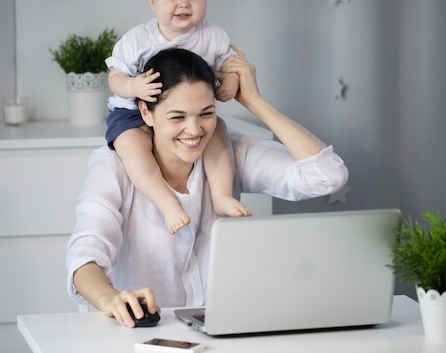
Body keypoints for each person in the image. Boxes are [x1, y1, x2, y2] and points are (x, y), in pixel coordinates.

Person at [66, 46, 349, 328]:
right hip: (146, 339)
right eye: (177, 117)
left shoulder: (228, 151)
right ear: (146, 113)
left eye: (206, 113)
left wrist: (254, 101)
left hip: (225, 332)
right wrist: (109, 298)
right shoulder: (113, 166)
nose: (195, 130)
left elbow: (328, 175)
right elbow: (85, 258)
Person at [105, 0, 249, 235]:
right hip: (132, 112)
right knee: (132, 148)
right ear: (152, 1)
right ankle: (166, 202)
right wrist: (133, 86)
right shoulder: (138, 40)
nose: (183, 4)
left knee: (219, 132)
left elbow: (232, 65)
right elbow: (114, 76)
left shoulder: (213, 36)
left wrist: (231, 82)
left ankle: (221, 195)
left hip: (186, 115)